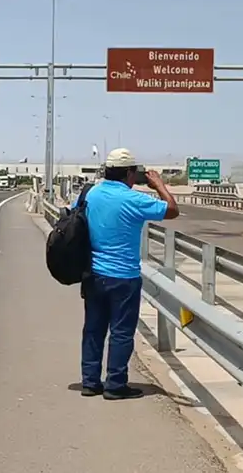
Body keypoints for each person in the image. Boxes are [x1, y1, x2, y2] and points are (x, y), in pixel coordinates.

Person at [76, 148, 180, 400]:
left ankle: (90, 382)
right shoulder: (134, 199)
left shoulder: (92, 193)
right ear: (129, 173)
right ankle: (115, 384)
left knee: (93, 329)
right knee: (121, 333)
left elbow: (73, 214)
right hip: (123, 277)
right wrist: (159, 184)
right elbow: (172, 210)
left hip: (93, 274)